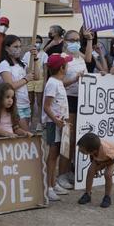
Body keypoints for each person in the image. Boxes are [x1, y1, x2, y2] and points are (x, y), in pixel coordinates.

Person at [57, 30, 91, 189]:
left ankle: (70, 169)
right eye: (72, 40)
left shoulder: (80, 56)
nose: (76, 42)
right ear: (65, 41)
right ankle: (61, 174)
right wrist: (74, 80)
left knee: (76, 139)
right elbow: (59, 83)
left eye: (78, 40)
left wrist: (89, 40)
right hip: (67, 100)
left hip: (82, 99)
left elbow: (89, 59)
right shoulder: (62, 59)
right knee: (67, 138)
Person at [43, 53, 72, 201]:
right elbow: (47, 106)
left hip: (60, 123)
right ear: (62, 67)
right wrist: (56, 121)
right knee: (53, 155)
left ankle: (53, 183)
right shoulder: (52, 83)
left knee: (58, 153)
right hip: (54, 124)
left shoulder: (57, 82)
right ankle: (48, 187)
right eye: (66, 64)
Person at [0, 34, 35, 132]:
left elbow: (36, 76)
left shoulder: (21, 63)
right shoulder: (4, 64)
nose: (18, 49)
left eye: (20, 46)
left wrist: (35, 59)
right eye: (15, 47)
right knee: (25, 133)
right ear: (6, 48)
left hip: (25, 103)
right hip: (15, 104)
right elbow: (10, 86)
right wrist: (26, 79)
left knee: (27, 133)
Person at [76, 132, 114, 208]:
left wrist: (102, 165)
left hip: (113, 158)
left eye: (82, 150)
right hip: (101, 158)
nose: (80, 150)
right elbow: (92, 156)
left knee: (108, 174)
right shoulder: (93, 148)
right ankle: (87, 194)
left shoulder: (106, 150)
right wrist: (96, 168)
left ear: (93, 150)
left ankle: (107, 197)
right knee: (90, 171)